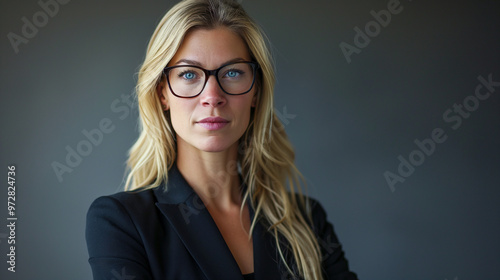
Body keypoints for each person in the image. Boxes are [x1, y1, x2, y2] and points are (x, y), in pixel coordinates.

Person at [85, 0, 358, 279]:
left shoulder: (307, 219)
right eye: (189, 74)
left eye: (233, 73)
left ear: (255, 92)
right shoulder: (121, 222)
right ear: (162, 93)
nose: (212, 96)